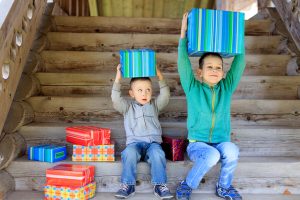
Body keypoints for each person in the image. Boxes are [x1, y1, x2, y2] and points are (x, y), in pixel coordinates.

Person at [175, 13, 246, 200]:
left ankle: (224, 187)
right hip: (197, 144)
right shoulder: (192, 88)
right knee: (212, 155)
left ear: (223, 73)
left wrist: (238, 37)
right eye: (209, 67)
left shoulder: (226, 88)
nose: (214, 70)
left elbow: (239, 63)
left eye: (218, 67)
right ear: (200, 72)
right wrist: (183, 33)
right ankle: (187, 185)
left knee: (232, 150)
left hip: (221, 140)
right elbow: (183, 64)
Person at [112, 64, 173, 199]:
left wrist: (159, 75)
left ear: (151, 92)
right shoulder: (127, 108)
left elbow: (165, 94)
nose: (144, 93)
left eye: (148, 90)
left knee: (158, 153)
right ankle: (128, 185)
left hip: (153, 144)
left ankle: (160, 185)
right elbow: (116, 99)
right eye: (139, 90)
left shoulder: (155, 106)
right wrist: (118, 78)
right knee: (128, 153)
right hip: (135, 144)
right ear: (132, 93)